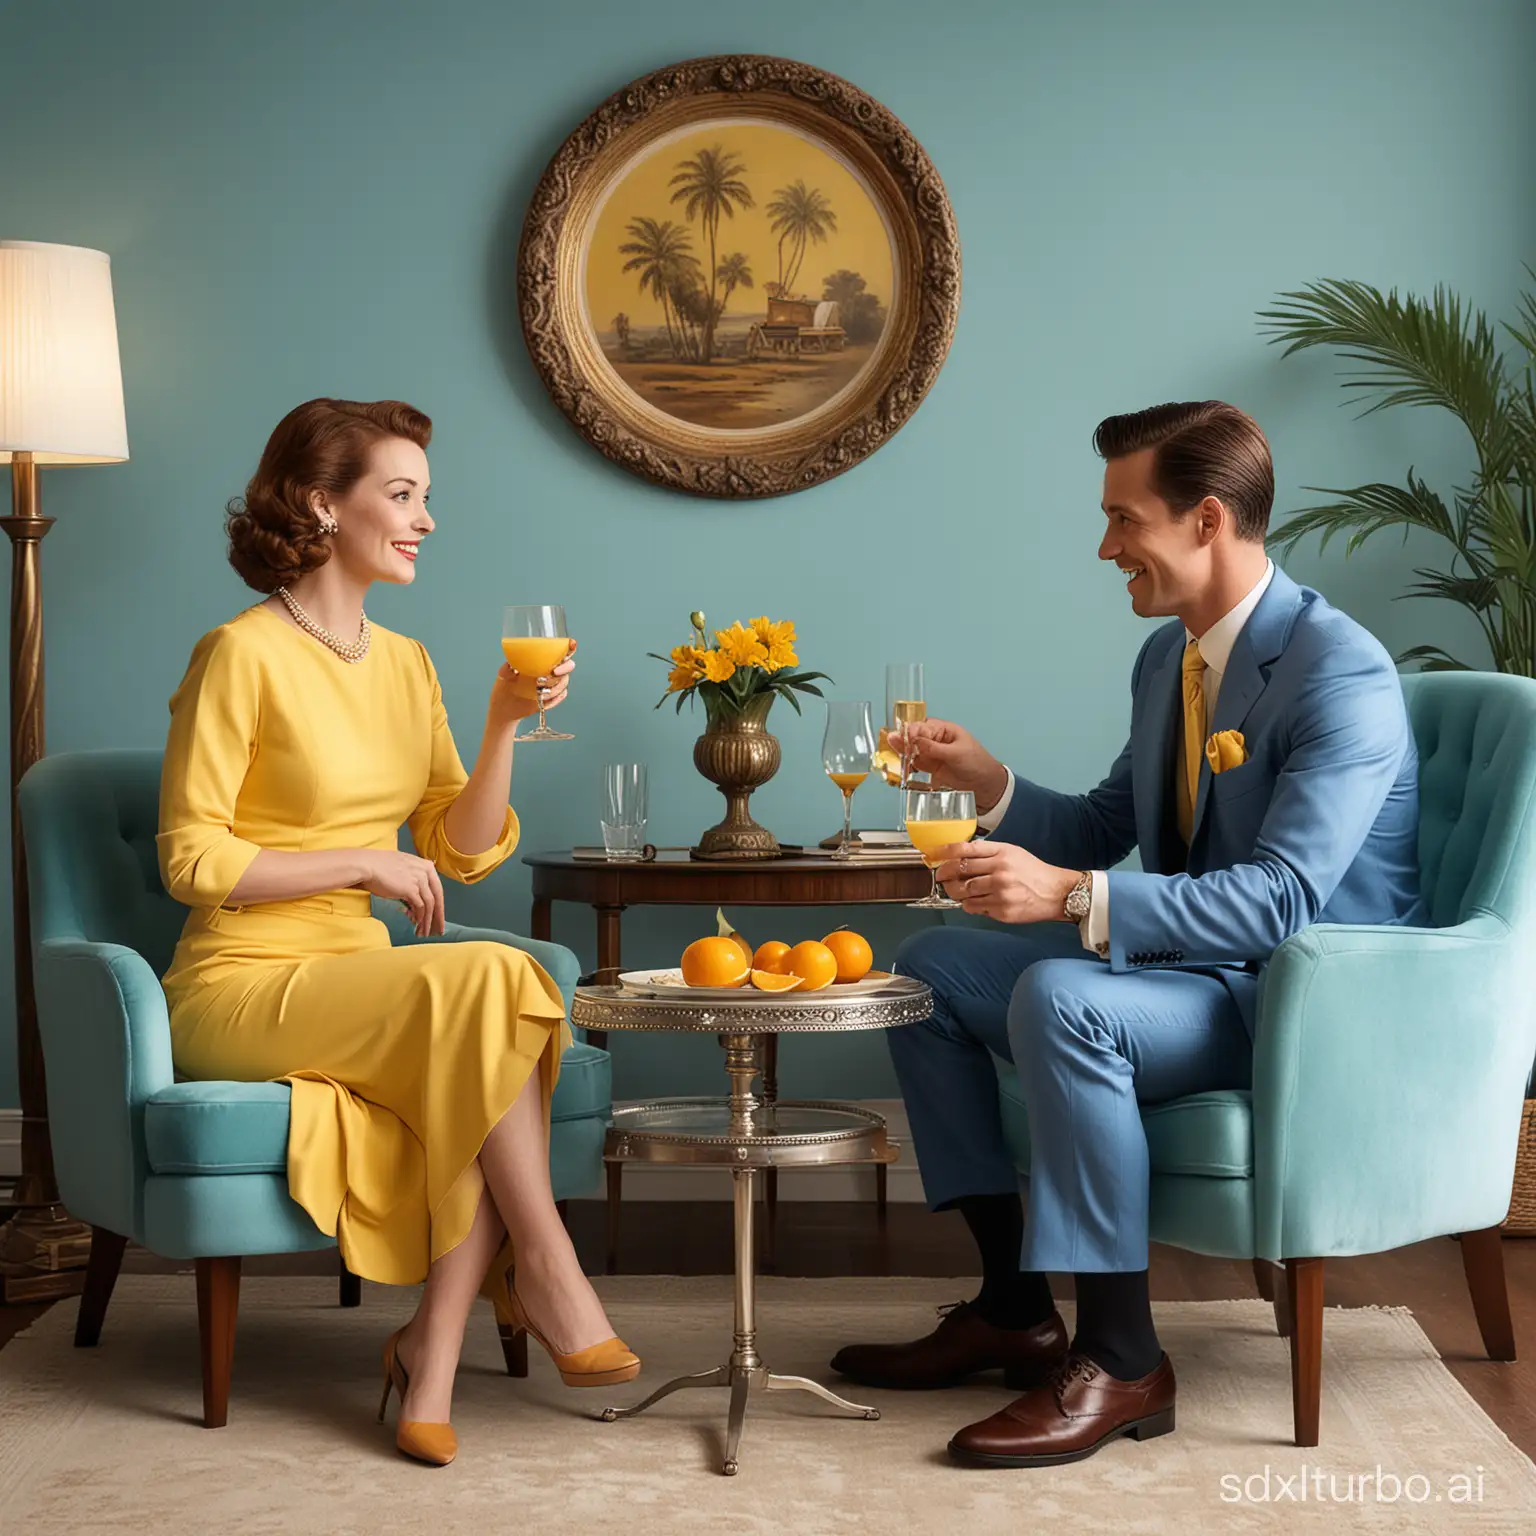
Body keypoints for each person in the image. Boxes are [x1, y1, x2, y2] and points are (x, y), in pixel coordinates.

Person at [831, 400, 1426, 1468]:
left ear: (1205, 520)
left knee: (1066, 999)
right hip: (1194, 971)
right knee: (929, 971)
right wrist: (989, 781)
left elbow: (1279, 901)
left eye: (1123, 519)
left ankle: (1124, 1354)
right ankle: (1014, 1309)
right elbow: (1111, 830)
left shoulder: (1341, 672)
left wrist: (1066, 899)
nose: (1105, 547)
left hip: (1301, 998)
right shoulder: (1172, 661)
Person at [157, 397, 638, 1468]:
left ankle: (430, 1357)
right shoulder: (238, 654)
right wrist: (363, 862)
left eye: (428, 498)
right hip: (240, 985)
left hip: (356, 978)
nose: (426, 520)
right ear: (324, 504)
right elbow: (190, 862)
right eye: (403, 495)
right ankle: (547, 1268)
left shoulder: (407, 661)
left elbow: (461, 848)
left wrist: (505, 720)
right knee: (487, 990)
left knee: (497, 995)